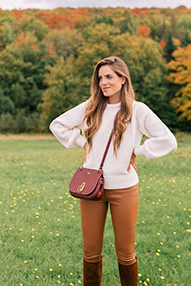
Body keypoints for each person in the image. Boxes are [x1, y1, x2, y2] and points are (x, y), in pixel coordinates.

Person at [50, 56, 177, 286]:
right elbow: (57, 124)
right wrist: (82, 143)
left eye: (109, 77)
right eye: (100, 78)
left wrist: (138, 150)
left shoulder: (138, 111)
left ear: (123, 78)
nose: (103, 82)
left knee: (126, 254)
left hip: (124, 189)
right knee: (90, 253)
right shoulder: (91, 107)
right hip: (90, 189)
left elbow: (168, 140)